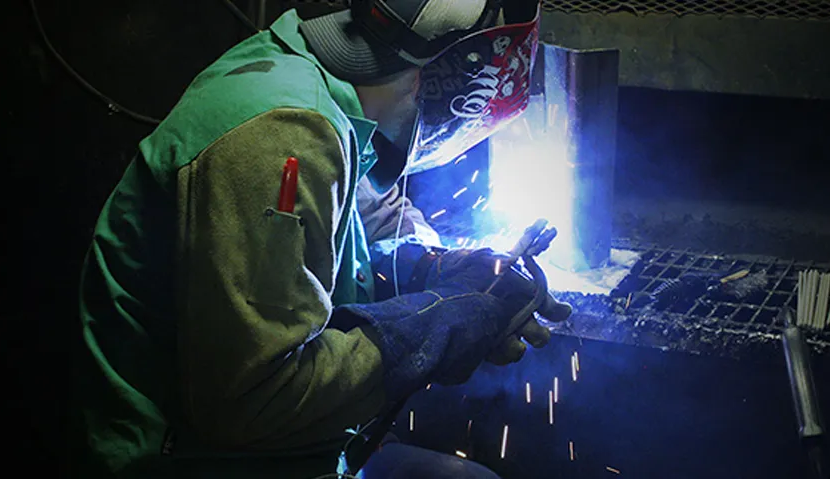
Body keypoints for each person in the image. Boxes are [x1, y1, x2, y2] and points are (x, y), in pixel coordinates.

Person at [71, 1, 564, 477]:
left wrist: (437, 270)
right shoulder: (285, 137)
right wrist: (445, 324)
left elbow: (337, 245)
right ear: (425, 81)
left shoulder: (308, 78)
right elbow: (256, 402)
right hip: (193, 463)